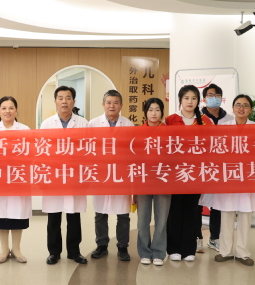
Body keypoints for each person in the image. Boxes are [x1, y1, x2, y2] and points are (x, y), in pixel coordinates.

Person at [201, 95, 255, 266]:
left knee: (245, 215)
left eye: (245, 105)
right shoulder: (223, 127)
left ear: (250, 109)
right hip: (228, 176)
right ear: (233, 108)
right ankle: (225, 251)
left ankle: (242, 252)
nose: (241, 108)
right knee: (226, 213)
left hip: (248, 177)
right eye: (238, 105)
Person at [40, 85, 90, 265]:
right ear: (55, 101)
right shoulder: (47, 124)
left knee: (74, 216)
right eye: (60, 98)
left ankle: (74, 251)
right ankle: (54, 252)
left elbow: (88, 150)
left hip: (75, 176)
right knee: (54, 217)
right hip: (53, 176)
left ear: (73, 102)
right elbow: (42, 152)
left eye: (68, 98)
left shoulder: (83, 123)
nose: (64, 102)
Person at [164, 85, 213, 262]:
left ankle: (189, 249)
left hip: (195, 173)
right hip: (175, 174)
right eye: (186, 98)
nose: (190, 102)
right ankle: (173, 248)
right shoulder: (170, 120)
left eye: (193, 98)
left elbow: (211, 147)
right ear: (180, 100)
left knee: (192, 210)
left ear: (198, 101)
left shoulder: (206, 122)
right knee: (175, 210)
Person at [89, 89, 134, 261]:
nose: (112, 106)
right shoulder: (93, 124)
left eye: (115, 103)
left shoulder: (128, 125)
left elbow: (132, 151)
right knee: (100, 213)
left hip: (121, 175)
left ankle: (122, 247)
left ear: (121, 105)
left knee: (123, 214)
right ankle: (102, 245)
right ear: (103, 105)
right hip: (101, 174)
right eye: (108, 102)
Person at [0, 96, 32, 264]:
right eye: (4, 108)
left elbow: (30, 154)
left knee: (18, 213)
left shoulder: (25, 129)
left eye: (11, 108)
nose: (7, 111)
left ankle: (17, 249)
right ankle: (4, 249)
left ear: (16, 111)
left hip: (18, 176)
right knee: (1, 214)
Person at [135, 97, 171, 266]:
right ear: (145, 112)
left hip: (163, 180)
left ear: (162, 112)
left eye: (157, 110)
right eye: (150, 110)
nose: (154, 113)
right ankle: (144, 252)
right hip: (143, 180)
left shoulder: (169, 132)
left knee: (161, 219)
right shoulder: (138, 132)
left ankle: (158, 252)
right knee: (142, 220)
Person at [200, 84, 228, 252]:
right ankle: (197, 238)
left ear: (221, 98)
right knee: (197, 204)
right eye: (210, 95)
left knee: (218, 204)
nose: (214, 98)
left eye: (217, 95)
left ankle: (214, 238)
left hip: (221, 167)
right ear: (204, 99)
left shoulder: (229, 119)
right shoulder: (198, 118)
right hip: (201, 167)